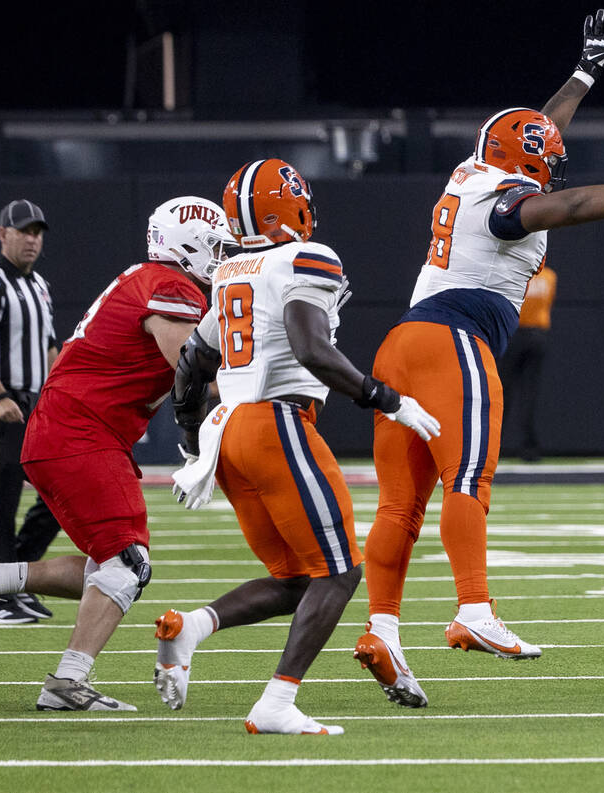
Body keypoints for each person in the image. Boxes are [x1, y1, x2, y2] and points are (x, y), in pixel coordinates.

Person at [352, 8, 604, 709]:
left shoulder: (474, 170)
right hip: (451, 340)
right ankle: (473, 608)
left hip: (401, 344)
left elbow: (539, 130)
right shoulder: (504, 195)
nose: (553, 163)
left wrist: (583, 74)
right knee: (469, 477)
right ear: (524, 159)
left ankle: (382, 631)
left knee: (400, 502)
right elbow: (571, 205)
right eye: (544, 157)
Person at [156, 159, 439, 735]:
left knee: (297, 580)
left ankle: (193, 626)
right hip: (277, 422)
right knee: (338, 573)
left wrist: (191, 438)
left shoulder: (233, 269)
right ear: (287, 205)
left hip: (230, 432)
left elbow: (191, 364)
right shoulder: (305, 257)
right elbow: (311, 349)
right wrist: (387, 399)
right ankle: (277, 703)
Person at [0, 196, 234, 713]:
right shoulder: (168, 286)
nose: (220, 256)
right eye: (213, 246)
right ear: (185, 244)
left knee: (108, 565)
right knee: (127, 564)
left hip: (70, 431)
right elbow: (191, 370)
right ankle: (66, 682)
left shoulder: (147, 279)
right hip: (81, 432)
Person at [0, 200, 62, 625]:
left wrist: (56, 397)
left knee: (57, 495)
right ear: (4, 234)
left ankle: (14, 581)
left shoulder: (39, 285)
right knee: (1, 502)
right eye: (24, 231)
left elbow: (51, 346)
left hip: (35, 403)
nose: (32, 239)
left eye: (37, 232)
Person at [497, 264, 556, 461]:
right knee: (529, 392)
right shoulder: (549, 276)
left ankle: (495, 445)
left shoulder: (515, 274)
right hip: (538, 335)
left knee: (503, 391)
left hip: (515, 334)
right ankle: (529, 448)